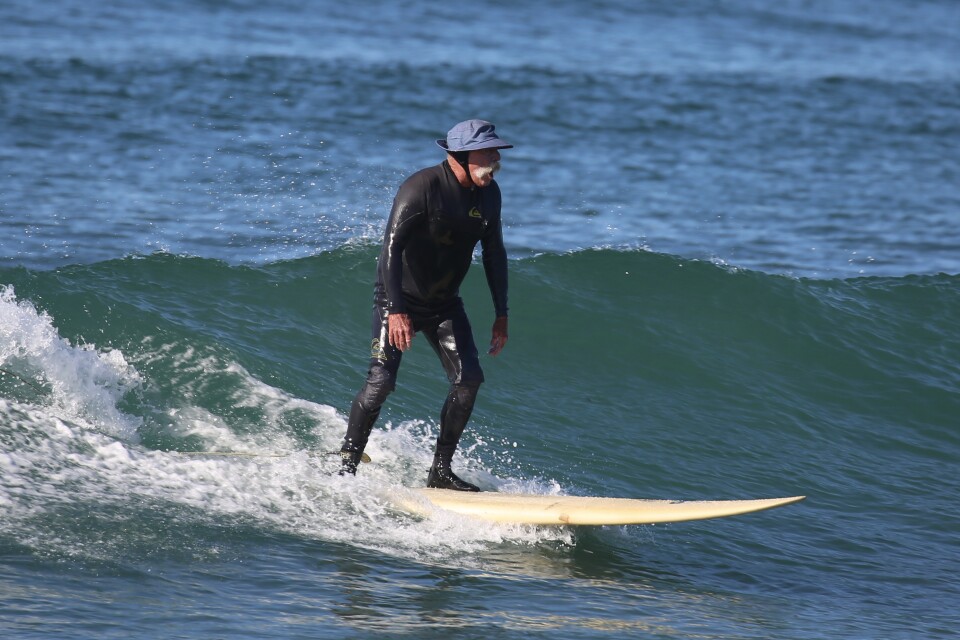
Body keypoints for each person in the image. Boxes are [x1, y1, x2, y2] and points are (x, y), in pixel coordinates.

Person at [338, 119, 512, 491]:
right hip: (397, 299)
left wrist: (502, 314)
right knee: (381, 381)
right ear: (461, 155)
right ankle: (346, 466)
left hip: (445, 304)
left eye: (497, 151)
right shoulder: (422, 187)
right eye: (489, 151)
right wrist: (397, 309)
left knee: (469, 381)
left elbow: (495, 253)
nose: (496, 159)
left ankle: (440, 472)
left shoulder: (490, 195)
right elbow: (390, 247)